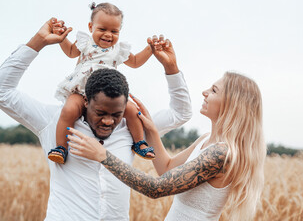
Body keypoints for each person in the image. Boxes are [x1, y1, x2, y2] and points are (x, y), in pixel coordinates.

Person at [0, 18, 192, 220]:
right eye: (100, 113)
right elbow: (3, 92)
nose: (109, 121)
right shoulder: (54, 120)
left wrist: (171, 67)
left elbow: (181, 113)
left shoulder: (133, 126)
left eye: (116, 114)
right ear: (85, 100)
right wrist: (38, 42)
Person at [67, 71, 267, 220]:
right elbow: (167, 169)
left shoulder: (221, 154)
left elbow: (156, 188)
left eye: (214, 90)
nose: (205, 92)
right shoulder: (206, 140)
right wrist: (152, 131)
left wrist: (104, 156)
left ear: (233, 104)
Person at [48, 2, 155, 164]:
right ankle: (61, 148)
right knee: (68, 110)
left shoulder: (119, 49)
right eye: (102, 29)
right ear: (91, 27)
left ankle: (139, 142)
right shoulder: (85, 42)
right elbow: (70, 52)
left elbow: (134, 62)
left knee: (132, 110)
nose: (108, 34)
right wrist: (61, 37)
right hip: (81, 90)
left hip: (108, 93)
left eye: (114, 31)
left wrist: (150, 49)